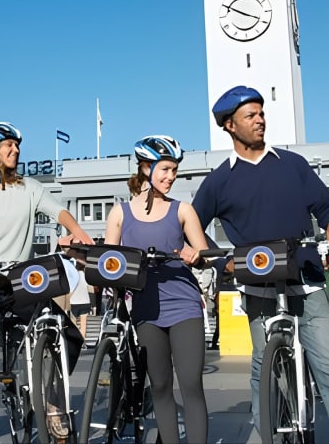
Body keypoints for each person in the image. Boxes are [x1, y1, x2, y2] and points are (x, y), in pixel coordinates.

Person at [192, 86, 329, 444]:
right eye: (250, 115)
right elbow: (191, 227)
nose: (260, 120)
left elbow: (326, 204)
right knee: (265, 374)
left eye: (261, 113)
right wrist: (221, 262)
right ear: (230, 125)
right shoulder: (218, 181)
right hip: (257, 287)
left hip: (307, 284)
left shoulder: (293, 164)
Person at [0, 122, 94, 444]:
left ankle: (51, 399)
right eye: (9, 145)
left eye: (17, 145)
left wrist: (79, 233)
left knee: (69, 336)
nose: (16, 150)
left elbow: (59, 212)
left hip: (20, 283)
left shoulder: (29, 188)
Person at [104, 134, 210, 444]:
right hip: (146, 308)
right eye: (165, 169)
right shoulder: (120, 213)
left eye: (174, 170)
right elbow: (108, 262)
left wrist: (197, 256)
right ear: (145, 168)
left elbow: (206, 255)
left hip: (184, 304)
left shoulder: (183, 210)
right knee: (161, 386)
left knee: (190, 384)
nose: (171, 176)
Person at [69, 264, 91, 345]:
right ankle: (82, 343)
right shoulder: (86, 276)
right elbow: (90, 287)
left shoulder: (72, 276)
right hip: (85, 301)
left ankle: (74, 342)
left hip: (74, 302)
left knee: (73, 325)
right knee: (83, 325)